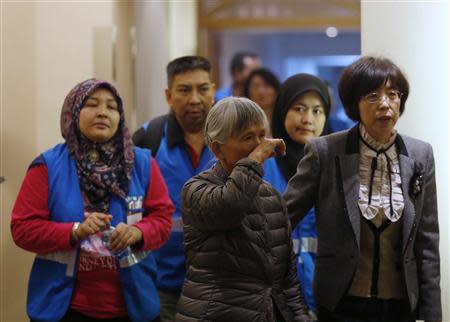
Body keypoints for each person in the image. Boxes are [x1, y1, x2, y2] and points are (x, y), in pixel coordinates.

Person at [284, 56, 441, 322]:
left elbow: (427, 244)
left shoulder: (419, 155)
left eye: (393, 95)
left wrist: (433, 315)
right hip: (340, 304)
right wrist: (290, 296)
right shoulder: (325, 151)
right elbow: (283, 220)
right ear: (354, 104)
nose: (385, 104)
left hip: (401, 305)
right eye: (372, 95)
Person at [11, 78, 174, 322]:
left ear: (120, 116)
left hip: (134, 305)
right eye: (92, 104)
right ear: (74, 111)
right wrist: (75, 231)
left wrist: (138, 233)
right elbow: (22, 229)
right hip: (63, 307)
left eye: (111, 106)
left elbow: (162, 219)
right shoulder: (47, 166)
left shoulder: (142, 164)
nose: (102, 113)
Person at [175, 97, 311, 322]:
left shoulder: (272, 196)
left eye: (262, 135)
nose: (261, 145)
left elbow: (287, 279)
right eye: (248, 137)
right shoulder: (196, 189)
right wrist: (255, 159)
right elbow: (230, 206)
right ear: (218, 149)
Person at [132, 56, 216, 322]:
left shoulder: (232, 138)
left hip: (218, 287)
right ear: (169, 96)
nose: (194, 99)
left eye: (202, 89)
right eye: (184, 90)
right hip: (160, 285)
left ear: (213, 90)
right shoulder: (148, 139)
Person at [263, 73, 331, 319]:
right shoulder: (262, 163)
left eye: (317, 111)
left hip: (323, 294)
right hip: (272, 297)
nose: (308, 119)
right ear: (282, 110)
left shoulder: (334, 166)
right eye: (299, 109)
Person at [243, 67, 281, 134]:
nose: (261, 91)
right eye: (255, 86)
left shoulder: (284, 119)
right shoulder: (241, 122)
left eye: (266, 85)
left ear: (276, 89)